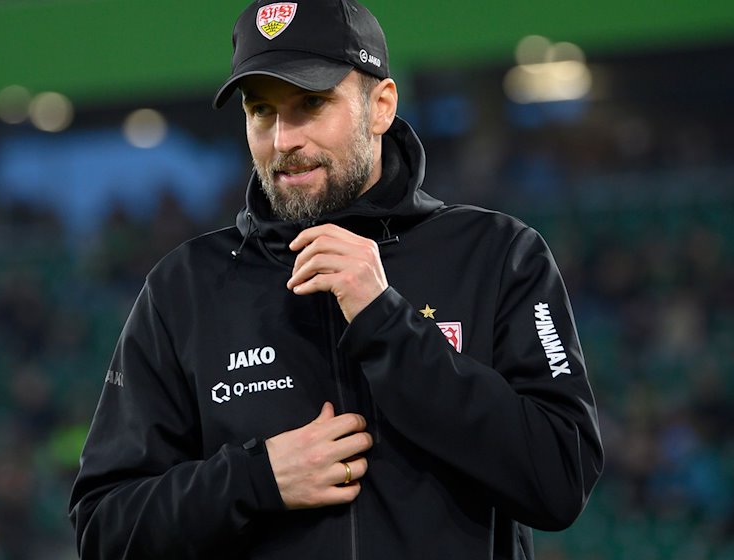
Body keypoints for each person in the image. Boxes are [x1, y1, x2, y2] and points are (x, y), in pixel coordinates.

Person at [69, 0, 603, 558]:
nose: (283, 141)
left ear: (381, 106)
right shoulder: (186, 287)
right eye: (261, 112)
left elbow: (561, 479)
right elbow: (104, 530)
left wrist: (386, 321)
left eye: (311, 103)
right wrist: (258, 479)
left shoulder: (497, 255)